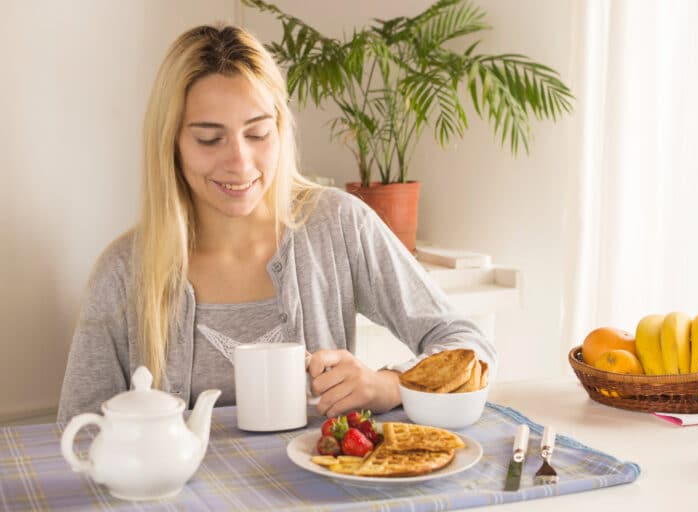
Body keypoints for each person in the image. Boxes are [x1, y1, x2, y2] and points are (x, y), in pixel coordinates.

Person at [57, 25, 496, 424]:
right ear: (171, 144)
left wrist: (387, 385)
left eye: (257, 133)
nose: (239, 162)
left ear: (281, 130)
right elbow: (75, 433)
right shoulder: (123, 271)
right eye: (209, 138)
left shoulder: (338, 225)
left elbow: (468, 345)